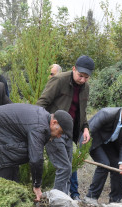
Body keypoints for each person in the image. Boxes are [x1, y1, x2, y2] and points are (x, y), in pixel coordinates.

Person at [0, 104, 73, 201]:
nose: (59, 136)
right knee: (5, 174)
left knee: (12, 172)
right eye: (60, 132)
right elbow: (36, 159)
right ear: (54, 123)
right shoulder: (39, 127)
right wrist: (37, 186)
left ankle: (13, 202)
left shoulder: (43, 119)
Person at [36, 55, 94, 199]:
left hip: (70, 132)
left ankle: (64, 200)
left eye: (86, 77)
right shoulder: (59, 80)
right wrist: (45, 129)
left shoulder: (85, 87)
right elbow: (41, 104)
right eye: (80, 76)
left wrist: (85, 128)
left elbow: (82, 111)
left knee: (68, 169)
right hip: (53, 130)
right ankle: (57, 202)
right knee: (64, 168)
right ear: (74, 69)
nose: (83, 80)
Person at [83, 100, 122, 205]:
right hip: (95, 141)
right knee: (104, 164)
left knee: (117, 166)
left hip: (108, 144)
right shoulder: (106, 114)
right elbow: (89, 130)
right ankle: (91, 198)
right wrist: (80, 151)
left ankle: (116, 200)